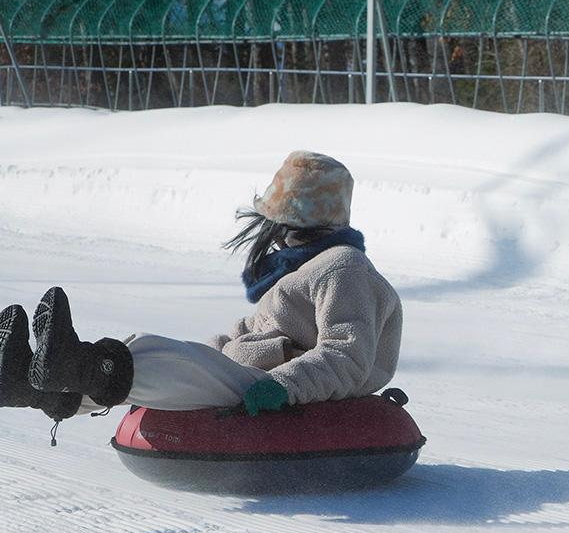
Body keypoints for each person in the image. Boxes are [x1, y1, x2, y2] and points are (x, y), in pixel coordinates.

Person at [0, 151, 403, 441]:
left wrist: (283, 385)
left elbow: (347, 356)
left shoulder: (343, 267)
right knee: (158, 352)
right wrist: (202, 353)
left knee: (155, 354)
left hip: (275, 386)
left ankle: (81, 365)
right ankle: (33, 384)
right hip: (255, 375)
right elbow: (243, 336)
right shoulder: (301, 272)